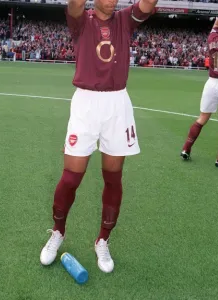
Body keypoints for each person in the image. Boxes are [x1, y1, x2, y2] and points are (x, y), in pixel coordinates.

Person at [40, 0, 157, 273]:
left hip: (117, 104)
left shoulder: (124, 19)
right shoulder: (82, 20)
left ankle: (103, 239)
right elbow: (75, 4)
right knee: (71, 177)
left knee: (113, 177)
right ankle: (58, 232)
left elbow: (148, 4)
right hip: (86, 104)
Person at [180, 2, 218, 170]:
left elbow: (215, 24)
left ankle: (186, 148)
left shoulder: (212, 38)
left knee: (202, 118)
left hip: (211, 83)